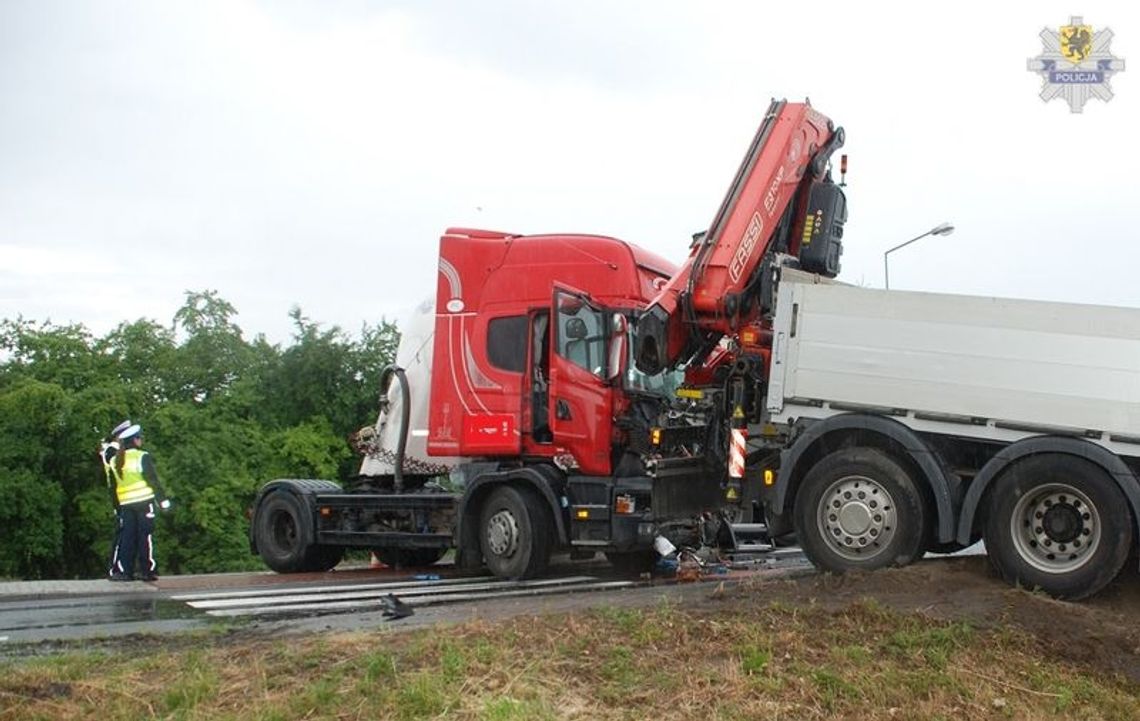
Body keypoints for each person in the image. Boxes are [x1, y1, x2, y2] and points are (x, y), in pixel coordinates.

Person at [109, 424, 171, 582]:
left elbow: (113, 487)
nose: (141, 440)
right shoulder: (142, 456)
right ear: (135, 440)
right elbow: (153, 480)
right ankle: (147, 570)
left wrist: (117, 507)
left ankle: (124, 571)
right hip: (144, 502)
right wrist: (163, 501)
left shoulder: (115, 460)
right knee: (145, 536)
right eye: (139, 438)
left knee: (127, 537)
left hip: (125, 505)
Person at [100, 419, 132, 577]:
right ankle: (115, 568)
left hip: (126, 495)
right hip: (119, 496)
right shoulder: (111, 451)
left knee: (128, 533)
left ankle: (126, 567)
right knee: (121, 533)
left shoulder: (118, 451)